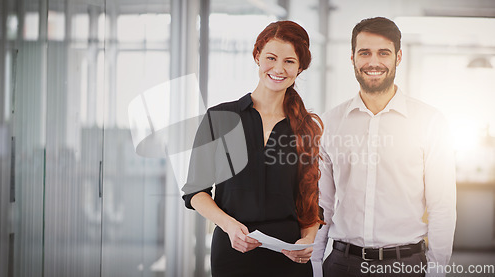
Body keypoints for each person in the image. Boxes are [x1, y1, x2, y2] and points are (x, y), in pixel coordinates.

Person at [312, 17, 456, 277]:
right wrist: (315, 265)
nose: (373, 62)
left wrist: (437, 271)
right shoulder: (329, 123)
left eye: (383, 53)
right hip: (343, 265)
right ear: (352, 58)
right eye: (364, 52)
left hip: (406, 266)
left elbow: (442, 207)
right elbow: (324, 205)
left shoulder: (430, 122)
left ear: (398, 57)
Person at [182, 20, 324, 276]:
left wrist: (307, 240)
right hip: (233, 253)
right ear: (257, 56)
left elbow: (310, 199)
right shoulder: (220, 117)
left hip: (289, 258)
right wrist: (228, 226)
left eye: (289, 61)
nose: (278, 68)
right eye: (271, 57)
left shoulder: (306, 128)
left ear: (300, 67)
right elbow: (195, 192)